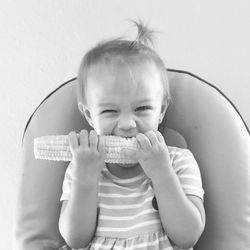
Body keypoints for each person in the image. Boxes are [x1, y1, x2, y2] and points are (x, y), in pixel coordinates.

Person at [58, 20, 205, 250]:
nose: (127, 124)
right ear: (89, 115)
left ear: (162, 110)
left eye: (142, 108)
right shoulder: (81, 166)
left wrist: (162, 173)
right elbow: (75, 240)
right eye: (109, 111)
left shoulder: (178, 162)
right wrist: (85, 178)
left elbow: (188, 237)